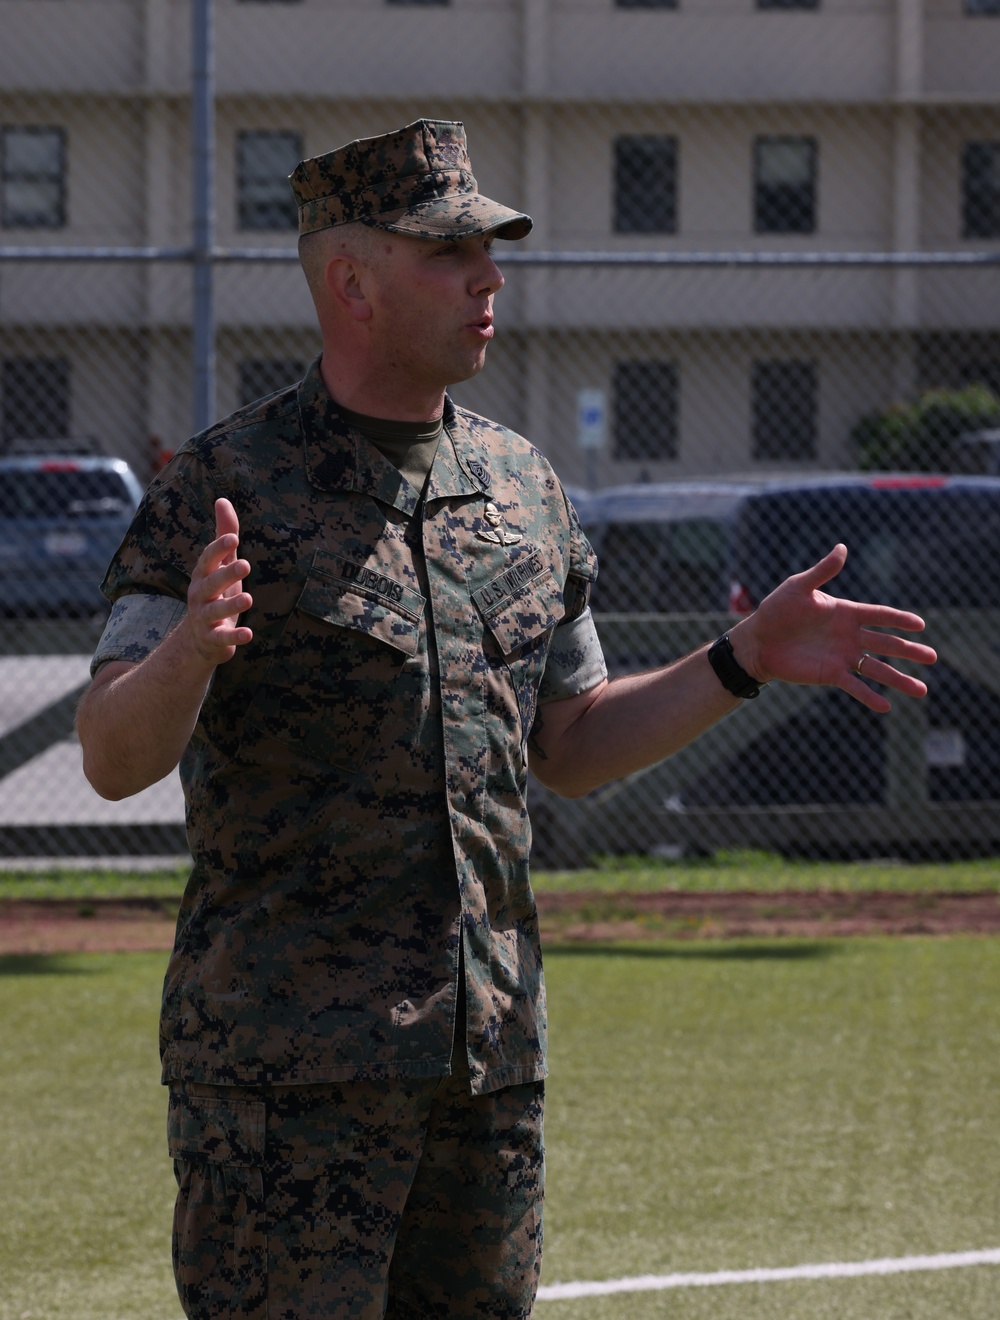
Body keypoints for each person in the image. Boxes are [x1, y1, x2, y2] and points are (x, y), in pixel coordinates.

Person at [76, 118, 936, 1320]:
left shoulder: (525, 489)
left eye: (490, 249)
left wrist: (739, 659)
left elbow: (573, 744)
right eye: (448, 252)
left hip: (487, 1073)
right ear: (351, 282)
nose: (487, 277)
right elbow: (114, 757)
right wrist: (185, 652)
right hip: (287, 1083)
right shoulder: (224, 493)